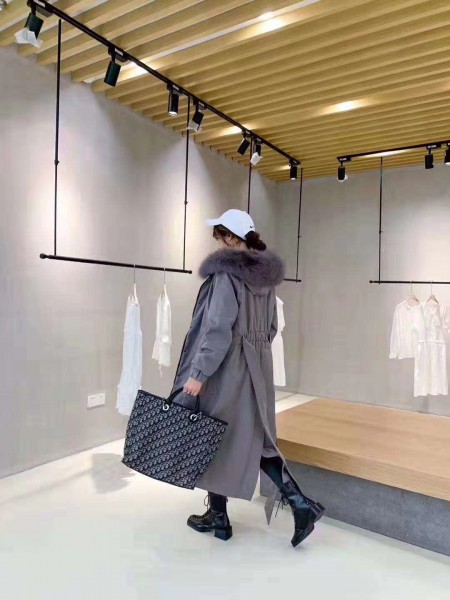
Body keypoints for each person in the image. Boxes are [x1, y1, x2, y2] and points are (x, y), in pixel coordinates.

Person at [171, 209, 324, 548]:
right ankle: (295, 505)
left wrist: (199, 374)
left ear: (232, 238)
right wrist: (254, 351)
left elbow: (217, 328)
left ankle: (228, 515)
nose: (217, 244)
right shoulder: (265, 278)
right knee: (255, 436)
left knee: (212, 432)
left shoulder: (226, 275)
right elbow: (271, 328)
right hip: (258, 365)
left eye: (220, 237)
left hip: (227, 368)